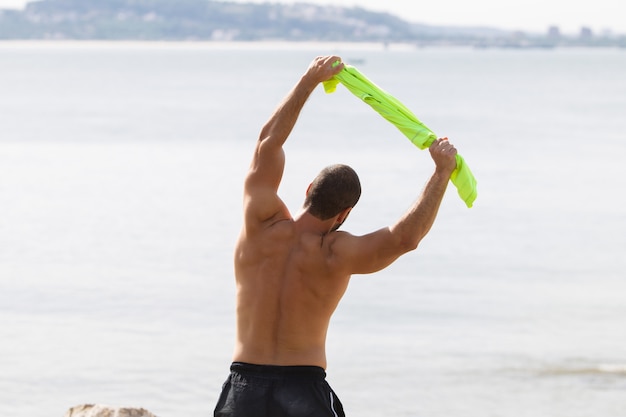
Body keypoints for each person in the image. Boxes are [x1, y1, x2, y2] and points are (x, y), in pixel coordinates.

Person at [214, 55, 458, 417]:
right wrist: (441, 173)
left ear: (309, 188)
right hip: (302, 388)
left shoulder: (260, 224)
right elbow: (405, 238)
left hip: (244, 386)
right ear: (346, 213)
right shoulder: (338, 254)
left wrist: (310, 80)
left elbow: (268, 142)